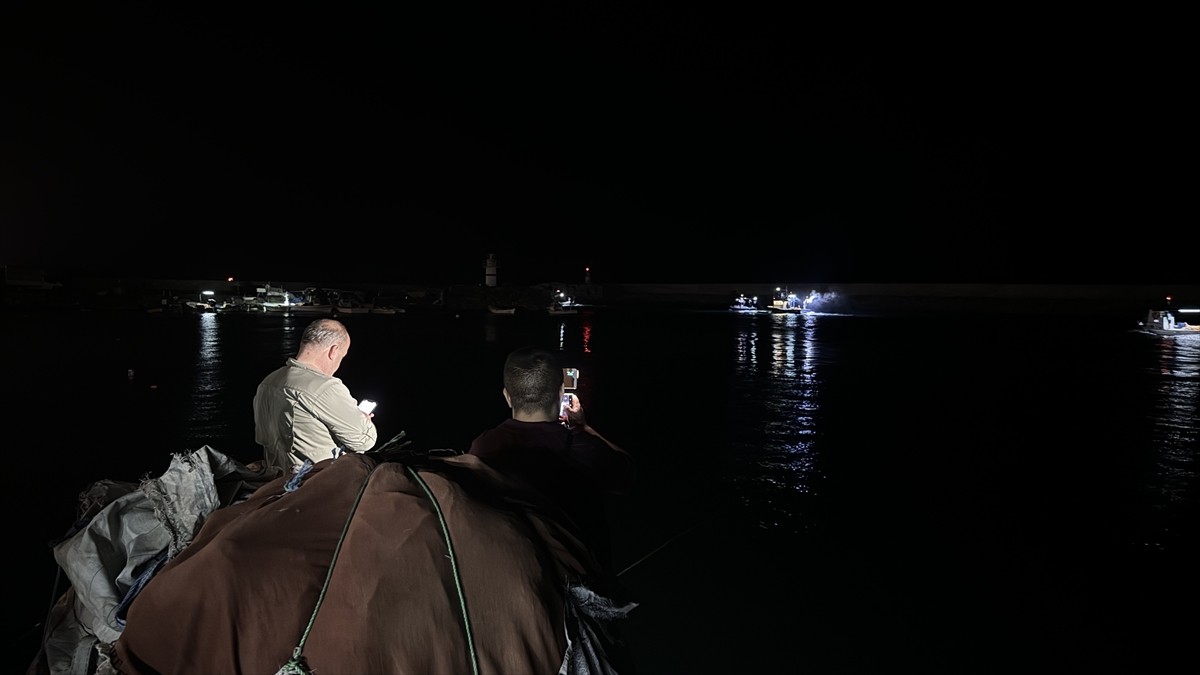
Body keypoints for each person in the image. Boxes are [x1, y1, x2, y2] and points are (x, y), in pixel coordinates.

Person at [468, 346, 634, 571]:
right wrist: (584, 428)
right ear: (560, 393)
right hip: (573, 571)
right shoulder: (581, 447)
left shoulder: (482, 445)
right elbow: (626, 474)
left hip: (510, 565)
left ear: (507, 396)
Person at [253, 317, 378, 474]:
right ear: (334, 351)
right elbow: (364, 441)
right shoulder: (325, 387)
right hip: (316, 484)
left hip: (277, 480)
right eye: (342, 356)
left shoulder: (268, 382)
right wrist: (364, 420)